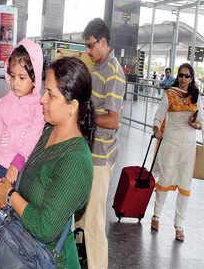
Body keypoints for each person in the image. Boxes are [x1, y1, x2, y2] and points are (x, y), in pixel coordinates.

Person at [0, 57, 94, 269]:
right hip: (23, 250)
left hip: (47, 260)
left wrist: (10, 195)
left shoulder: (76, 160)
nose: (42, 99)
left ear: (72, 106)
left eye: (51, 94)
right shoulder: (47, 132)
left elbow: (45, 227)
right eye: (44, 90)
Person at [75, 18, 125, 269]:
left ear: (104, 42)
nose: (88, 50)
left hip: (100, 157)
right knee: (80, 216)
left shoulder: (114, 72)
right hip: (87, 150)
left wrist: (85, 117)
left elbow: (113, 120)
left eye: (91, 45)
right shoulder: (96, 65)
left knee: (93, 223)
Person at [0, 38, 45, 187]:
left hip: (26, 167)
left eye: (22, 78)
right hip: (2, 164)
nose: (15, 82)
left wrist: (19, 160)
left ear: (34, 78)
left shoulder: (39, 106)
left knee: (19, 207)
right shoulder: (3, 103)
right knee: (2, 203)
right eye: (12, 76)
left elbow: (34, 136)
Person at [151, 63, 202, 242]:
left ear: (192, 78)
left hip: (188, 148)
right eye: (180, 75)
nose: (183, 79)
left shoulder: (196, 96)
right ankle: (156, 216)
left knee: (185, 186)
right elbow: (158, 117)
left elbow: (201, 122)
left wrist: (196, 125)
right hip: (170, 145)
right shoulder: (170, 94)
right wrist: (157, 129)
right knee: (165, 179)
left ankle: (179, 225)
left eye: (187, 76)